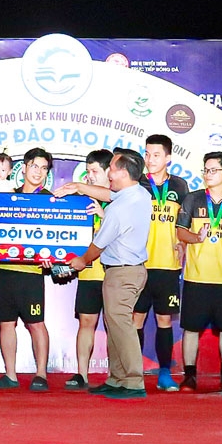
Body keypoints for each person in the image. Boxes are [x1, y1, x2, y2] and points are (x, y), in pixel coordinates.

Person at [69, 148, 150, 399]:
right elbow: (109, 194)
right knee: (114, 325)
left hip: (122, 273)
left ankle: (134, 382)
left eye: (112, 169)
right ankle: (117, 379)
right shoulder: (140, 194)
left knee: (122, 326)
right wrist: (79, 187)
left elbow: (98, 245)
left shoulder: (119, 208)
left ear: (123, 173)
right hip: (127, 271)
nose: (109, 174)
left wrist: (82, 261)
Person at [175, 152, 222, 392]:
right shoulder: (193, 199)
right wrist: (196, 237)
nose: (208, 174)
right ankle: (189, 376)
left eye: (213, 170)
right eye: (206, 170)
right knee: (191, 328)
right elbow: (180, 231)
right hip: (195, 277)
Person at [0, 147, 54, 391]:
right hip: (5, 269)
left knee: (36, 323)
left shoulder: (50, 200)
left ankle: (41, 374)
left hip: (32, 273)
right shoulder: (7, 196)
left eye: (44, 168)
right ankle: (10, 375)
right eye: (34, 166)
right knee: (6, 323)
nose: (38, 172)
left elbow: (56, 237)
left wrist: (52, 257)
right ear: (24, 168)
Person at [135, 134, 189, 391]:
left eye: (156, 155)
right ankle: (133, 373)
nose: (150, 159)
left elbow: (185, 223)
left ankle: (165, 373)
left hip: (168, 265)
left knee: (164, 321)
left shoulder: (180, 185)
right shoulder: (137, 183)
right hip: (139, 264)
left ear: (168, 158)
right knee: (135, 320)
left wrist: (184, 244)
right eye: (147, 154)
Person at [65, 149, 113, 390]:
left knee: (115, 326)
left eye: (94, 171)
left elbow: (126, 232)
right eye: (87, 171)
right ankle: (82, 374)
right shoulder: (81, 199)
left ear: (109, 171)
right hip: (89, 271)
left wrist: (104, 216)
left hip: (114, 272)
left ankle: (116, 376)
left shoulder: (120, 198)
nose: (90, 176)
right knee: (86, 321)